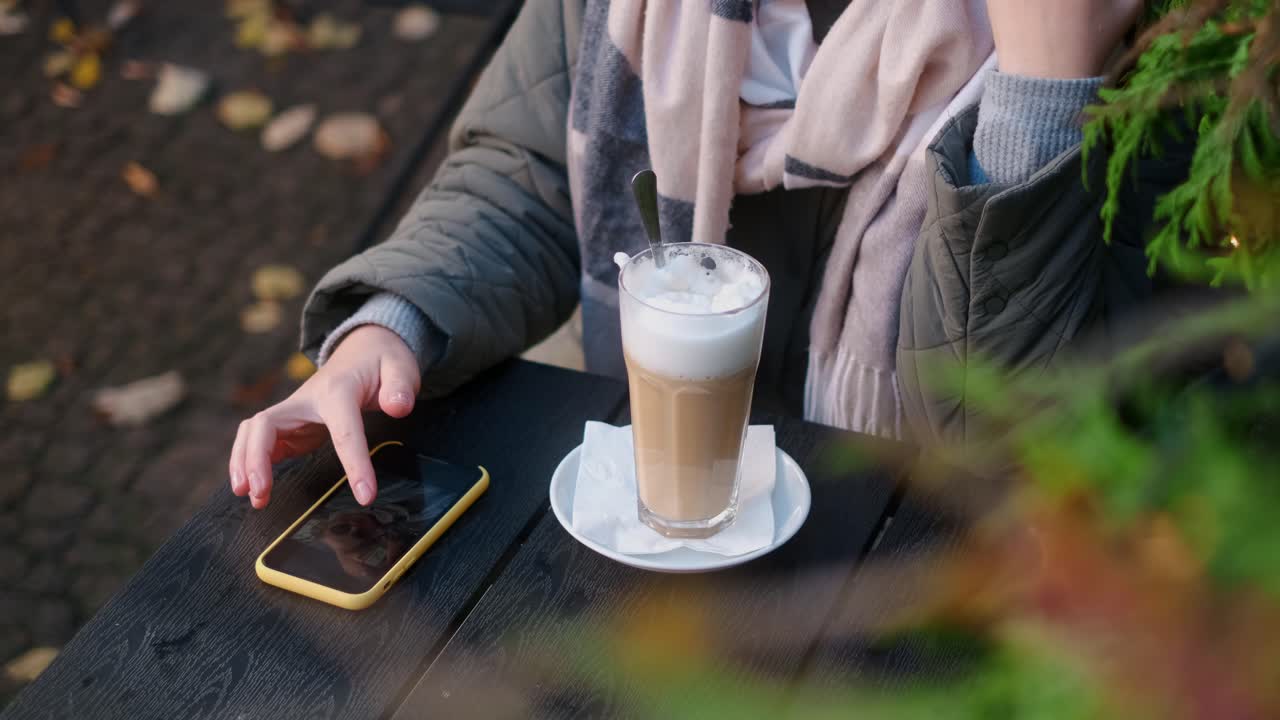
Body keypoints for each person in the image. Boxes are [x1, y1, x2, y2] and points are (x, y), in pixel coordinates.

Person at [229, 0, 1146, 509]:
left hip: (918, 589)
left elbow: (1020, 443)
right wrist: (391, 328)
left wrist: (1043, 95)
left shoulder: (1162, 48)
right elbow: (534, 168)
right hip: (656, 527)